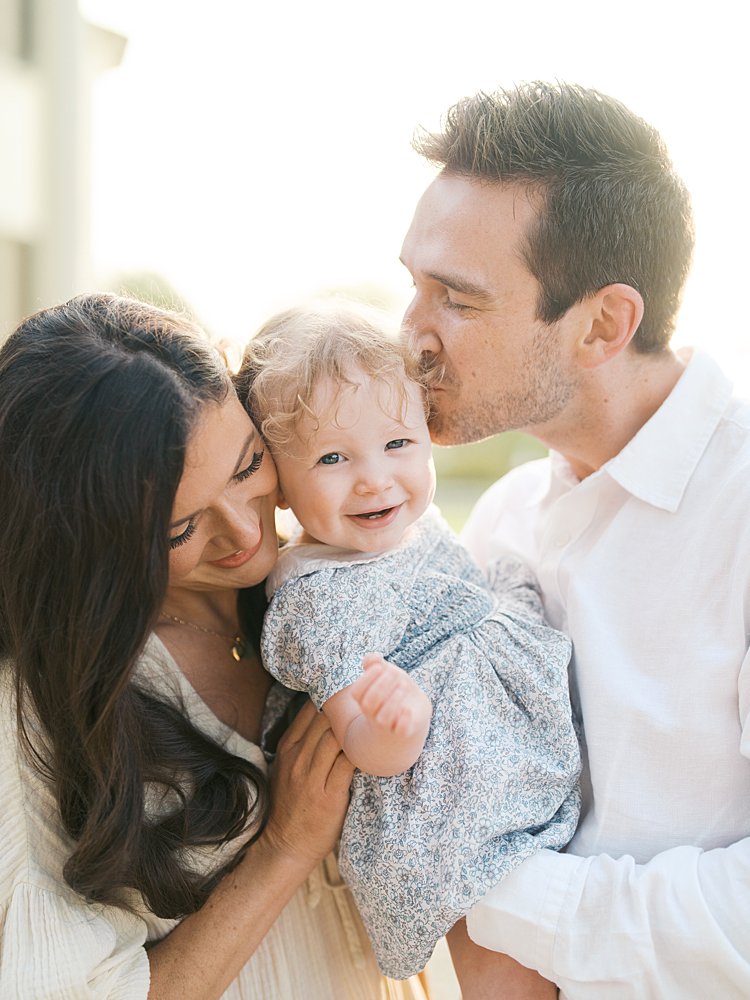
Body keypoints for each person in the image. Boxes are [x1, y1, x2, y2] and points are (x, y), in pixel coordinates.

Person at [399, 81, 750, 999]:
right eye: (413, 286)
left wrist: (495, 897)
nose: (409, 338)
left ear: (602, 324)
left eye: (456, 300)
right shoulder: (505, 518)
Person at [0, 293, 432, 1000]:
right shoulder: (43, 708)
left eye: (247, 466)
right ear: (87, 544)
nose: (244, 533)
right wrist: (283, 850)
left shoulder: (330, 587)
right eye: (179, 529)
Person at [237, 304, 580, 990]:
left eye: (398, 444)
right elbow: (361, 744)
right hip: (438, 798)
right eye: (333, 458)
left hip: (497, 758)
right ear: (278, 482)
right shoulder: (314, 600)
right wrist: (399, 724)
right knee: (496, 934)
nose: (374, 478)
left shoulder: (404, 527)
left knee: (559, 941)